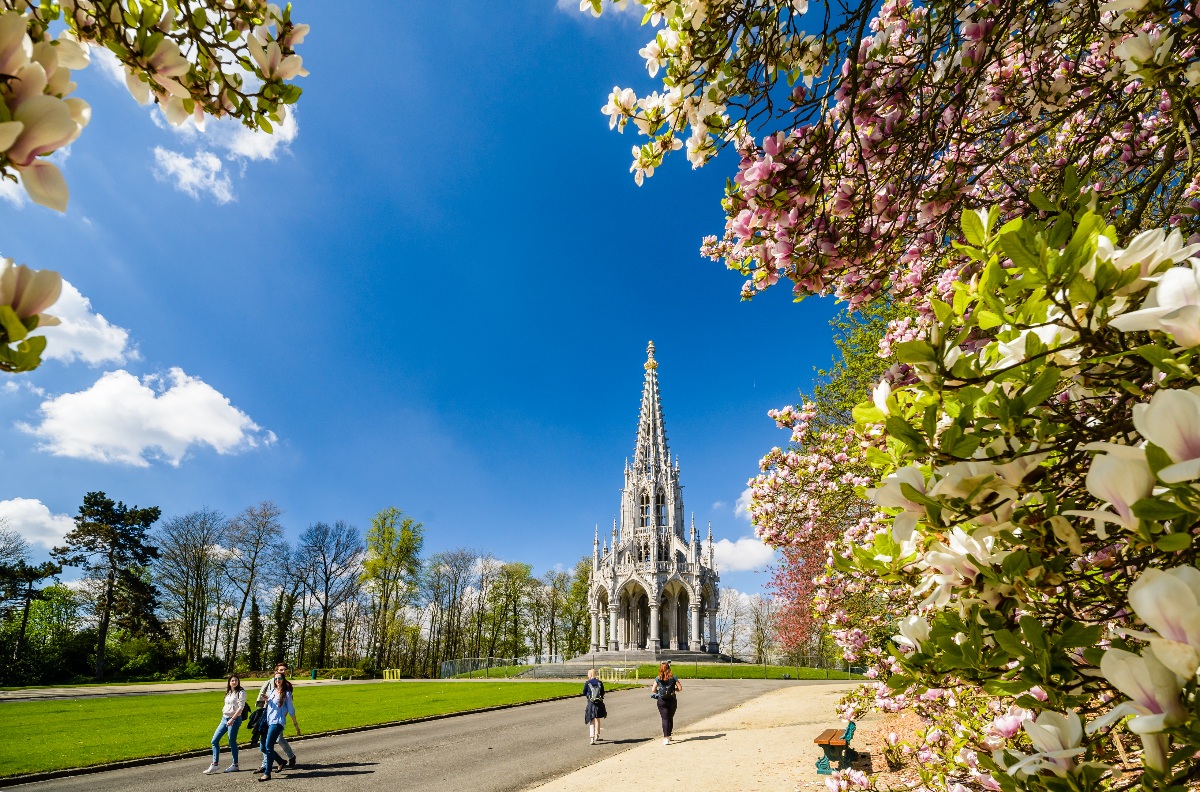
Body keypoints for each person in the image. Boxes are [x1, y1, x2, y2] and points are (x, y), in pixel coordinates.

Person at [258, 672, 301, 782]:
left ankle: (267, 773)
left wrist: (296, 726)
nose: (278, 680)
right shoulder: (272, 691)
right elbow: (269, 707)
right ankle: (281, 761)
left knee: (268, 746)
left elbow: (291, 710)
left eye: (280, 678)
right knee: (263, 747)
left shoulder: (286, 694)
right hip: (268, 722)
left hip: (277, 722)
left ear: (283, 679)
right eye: (276, 678)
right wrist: (267, 700)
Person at [203, 675, 247, 774]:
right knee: (214, 740)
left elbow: (241, 708)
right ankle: (215, 764)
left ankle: (235, 764)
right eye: (232, 680)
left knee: (232, 741)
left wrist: (232, 719)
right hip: (224, 718)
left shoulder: (241, 692)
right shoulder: (229, 692)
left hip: (234, 719)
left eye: (236, 680)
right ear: (229, 682)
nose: (234, 682)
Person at [651, 661, 682, 745]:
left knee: (665, 719)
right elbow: (680, 688)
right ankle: (669, 735)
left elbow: (653, 690)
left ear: (660, 669)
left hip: (662, 700)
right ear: (669, 668)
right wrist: (673, 690)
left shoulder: (658, 678)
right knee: (670, 717)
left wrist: (659, 692)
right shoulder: (674, 677)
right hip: (672, 700)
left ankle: (665, 738)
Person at [583, 669, 606, 745]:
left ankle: (592, 738)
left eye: (588, 674)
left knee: (591, 720)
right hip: (599, 703)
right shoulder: (600, 682)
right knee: (598, 719)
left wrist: (588, 696)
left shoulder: (588, 683)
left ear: (590, 674)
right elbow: (602, 692)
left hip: (591, 703)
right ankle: (597, 735)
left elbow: (584, 692)